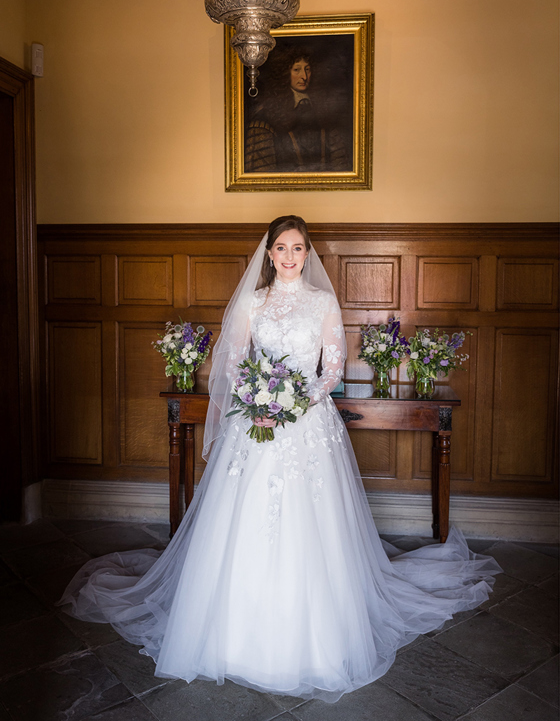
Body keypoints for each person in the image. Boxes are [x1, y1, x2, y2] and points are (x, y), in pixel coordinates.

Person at [59, 215, 500, 704]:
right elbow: (233, 363)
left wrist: (290, 403)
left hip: (306, 422)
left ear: (308, 253)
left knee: (313, 525)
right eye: (281, 248)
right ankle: (230, 635)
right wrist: (258, 404)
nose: (290, 256)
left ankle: (315, 638)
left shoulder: (322, 303)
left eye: (298, 248)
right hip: (254, 424)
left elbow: (331, 369)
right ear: (268, 254)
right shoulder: (252, 301)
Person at [244, 50, 352, 173]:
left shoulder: (325, 115)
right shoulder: (264, 120)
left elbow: (340, 165)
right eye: (297, 70)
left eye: (307, 69)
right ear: (285, 73)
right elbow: (261, 174)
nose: (304, 77)